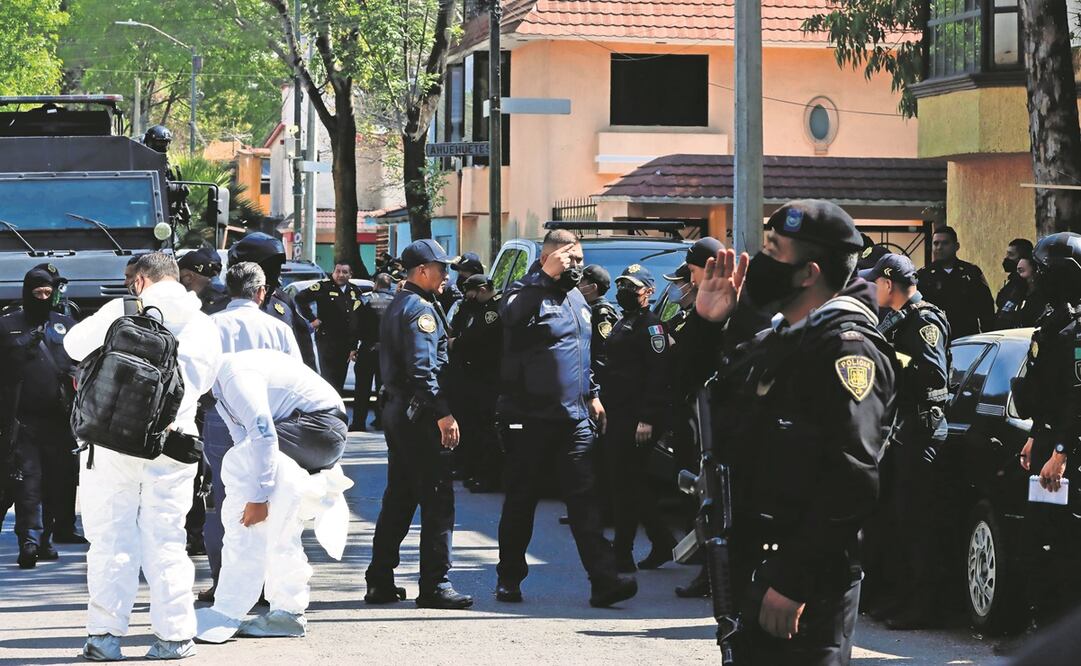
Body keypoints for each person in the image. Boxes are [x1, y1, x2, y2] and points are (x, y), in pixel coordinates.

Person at [695, 200, 897, 663]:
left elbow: (853, 478)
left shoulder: (849, 349)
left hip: (807, 584)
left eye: (772, 249)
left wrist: (793, 578)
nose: (758, 259)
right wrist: (708, 326)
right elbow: (698, 402)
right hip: (753, 562)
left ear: (807, 273)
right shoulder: (781, 338)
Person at [64, 252, 222, 661]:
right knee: (167, 540)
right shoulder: (204, 325)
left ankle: (104, 636)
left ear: (141, 281)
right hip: (171, 444)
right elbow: (201, 386)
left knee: (110, 540)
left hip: (111, 442)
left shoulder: (122, 309)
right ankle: (173, 637)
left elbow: (71, 345)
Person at [494, 228, 636, 608]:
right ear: (548, 257)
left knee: (585, 499)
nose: (577, 266)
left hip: (574, 417)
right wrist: (544, 277)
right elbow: (509, 317)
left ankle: (604, 581)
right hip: (529, 417)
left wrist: (593, 394)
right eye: (570, 259)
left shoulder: (576, 297)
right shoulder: (524, 291)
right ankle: (509, 578)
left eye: (580, 259)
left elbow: (581, 350)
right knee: (522, 500)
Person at [195, 349, 351, 643]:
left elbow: (263, 435)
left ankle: (243, 607)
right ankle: (282, 609)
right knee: (274, 513)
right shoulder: (222, 387)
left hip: (319, 428)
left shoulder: (234, 377)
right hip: (317, 429)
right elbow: (243, 441)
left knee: (258, 507)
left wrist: (257, 498)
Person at [364, 239, 473, 609]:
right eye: (442, 269)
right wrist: (444, 414)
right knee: (438, 499)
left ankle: (379, 579)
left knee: (400, 497)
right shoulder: (420, 310)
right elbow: (424, 370)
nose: (447, 276)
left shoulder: (402, 304)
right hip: (420, 416)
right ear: (423, 270)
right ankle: (435, 585)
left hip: (400, 412)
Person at [198, 262, 303, 602]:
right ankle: (265, 585)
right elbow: (296, 378)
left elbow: (198, 378)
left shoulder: (211, 326)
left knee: (222, 498)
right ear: (261, 292)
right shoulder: (278, 328)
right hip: (271, 421)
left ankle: (223, 582)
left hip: (221, 417)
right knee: (269, 495)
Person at [859, 253, 950, 629]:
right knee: (892, 520)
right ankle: (896, 596)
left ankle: (923, 606)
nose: (870, 288)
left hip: (921, 429)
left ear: (888, 282)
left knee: (915, 523)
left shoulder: (924, 319)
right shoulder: (895, 320)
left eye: (873, 282)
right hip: (899, 430)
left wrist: (889, 356)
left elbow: (933, 375)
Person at [1013, 232, 1081, 628]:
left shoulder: (1075, 328)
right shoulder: (1053, 319)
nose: (1033, 276)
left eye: (1040, 269)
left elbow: (1077, 399)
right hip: (1049, 443)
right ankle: (1043, 633)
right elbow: (1046, 394)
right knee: (1039, 542)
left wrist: (1060, 452)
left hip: (1066, 453)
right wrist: (1036, 434)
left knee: (1061, 546)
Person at [0, 265, 79, 568]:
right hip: (22, 421)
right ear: (27, 292)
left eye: (49, 292)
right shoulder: (7, 326)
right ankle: (29, 542)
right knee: (28, 483)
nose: (44, 297)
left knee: (56, 484)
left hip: (60, 421)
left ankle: (45, 540)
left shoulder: (66, 325)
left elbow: (80, 365)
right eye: (38, 293)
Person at [600, 264, 675, 572]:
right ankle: (661, 540)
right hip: (618, 413)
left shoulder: (652, 327)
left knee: (626, 482)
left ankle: (623, 551)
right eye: (622, 287)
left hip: (637, 417)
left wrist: (647, 417)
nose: (625, 292)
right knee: (628, 481)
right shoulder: (624, 321)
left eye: (632, 287)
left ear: (648, 291)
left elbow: (659, 375)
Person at [227, 232, 316, 369]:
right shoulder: (222, 306)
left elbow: (304, 352)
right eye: (268, 267)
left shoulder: (283, 302)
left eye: (275, 267)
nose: (275, 273)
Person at [451, 273, 503, 493]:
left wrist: (456, 343)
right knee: (472, 426)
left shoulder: (493, 309)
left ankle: (487, 476)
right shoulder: (474, 308)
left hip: (489, 378)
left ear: (482, 289)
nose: (467, 297)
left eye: (470, 292)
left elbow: (476, 337)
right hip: (474, 377)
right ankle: (471, 469)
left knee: (486, 429)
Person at [295, 259, 365, 393]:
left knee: (340, 379)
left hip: (346, 343)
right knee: (328, 379)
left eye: (344, 272)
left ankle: (336, 407)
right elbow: (300, 298)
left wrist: (353, 346)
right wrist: (312, 318)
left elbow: (357, 319)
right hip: (327, 341)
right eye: (337, 271)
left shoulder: (354, 291)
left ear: (350, 274)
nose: (340, 275)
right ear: (333, 272)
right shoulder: (323, 287)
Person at [915, 226, 995, 338]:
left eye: (945, 243)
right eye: (936, 243)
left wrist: (988, 335)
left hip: (966, 337)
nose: (939, 247)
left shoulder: (971, 272)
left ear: (956, 246)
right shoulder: (924, 275)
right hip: (935, 337)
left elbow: (986, 307)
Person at [352, 272, 394, 431]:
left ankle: (358, 423)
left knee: (362, 387)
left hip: (367, 348)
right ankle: (381, 421)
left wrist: (353, 347)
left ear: (375, 284)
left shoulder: (364, 299)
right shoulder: (395, 302)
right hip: (387, 351)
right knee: (383, 388)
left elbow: (355, 326)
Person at [578, 264, 620, 384]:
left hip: (597, 381)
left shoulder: (601, 313)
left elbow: (601, 354)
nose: (577, 285)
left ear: (592, 287)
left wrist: (593, 384)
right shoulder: (586, 308)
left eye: (581, 281)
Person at [996, 250, 1047, 330]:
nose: (1018, 275)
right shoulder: (1016, 292)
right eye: (1017, 271)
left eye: (1021, 271)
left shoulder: (1042, 298)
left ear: (1035, 272)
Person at [178, 247, 230, 315]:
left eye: (177, 277)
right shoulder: (227, 303)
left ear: (188, 278)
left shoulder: (180, 306)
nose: (175, 281)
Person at [995, 238, 1034, 316]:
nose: (1006, 258)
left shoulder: (1025, 284)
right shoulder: (1013, 281)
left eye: (1011, 255)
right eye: (1007, 254)